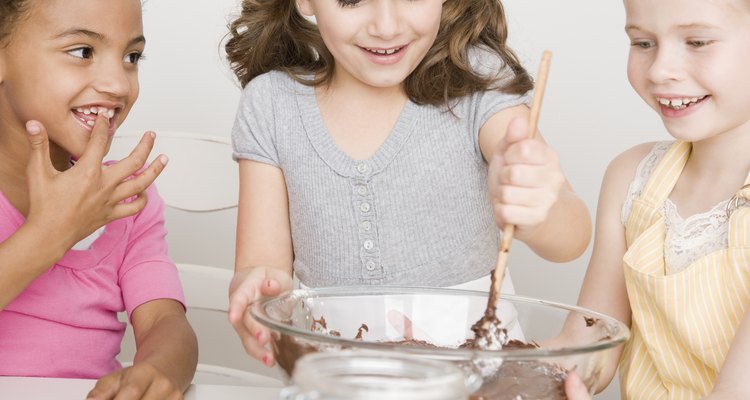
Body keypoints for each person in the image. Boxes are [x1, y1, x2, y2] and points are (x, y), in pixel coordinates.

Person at [225, 0, 592, 367]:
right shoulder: (271, 105)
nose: (386, 26)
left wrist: (538, 208)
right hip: (336, 383)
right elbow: (262, 266)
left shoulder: (478, 80)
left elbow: (571, 238)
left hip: (485, 379)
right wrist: (259, 291)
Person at [0, 0, 198, 398]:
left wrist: (159, 370)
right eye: (82, 51)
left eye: (131, 56)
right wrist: (52, 232)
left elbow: (164, 319)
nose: (119, 84)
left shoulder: (126, 193)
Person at [565, 0, 750, 398]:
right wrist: (465, 365)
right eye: (643, 43)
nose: (660, 70)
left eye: (698, 41)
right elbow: (587, 352)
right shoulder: (631, 178)